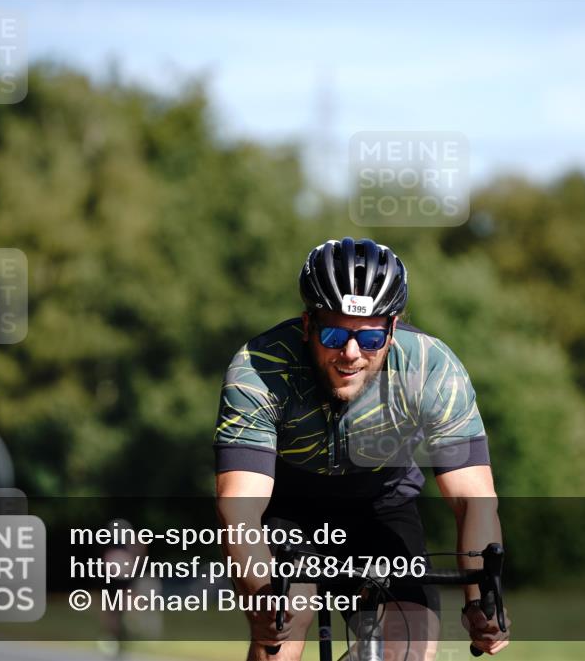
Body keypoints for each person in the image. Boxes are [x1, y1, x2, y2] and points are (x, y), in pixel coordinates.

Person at [214, 237, 510, 660]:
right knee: (282, 627)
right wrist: (262, 596)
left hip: (382, 506)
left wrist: (482, 601)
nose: (350, 354)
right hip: (290, 505)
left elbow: (473, 499)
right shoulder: (261, 367)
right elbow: (239, 505)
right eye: (334, 334)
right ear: (307, 325)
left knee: (409, 645)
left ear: (391, 330)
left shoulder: (431, 368)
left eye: (370, 338)